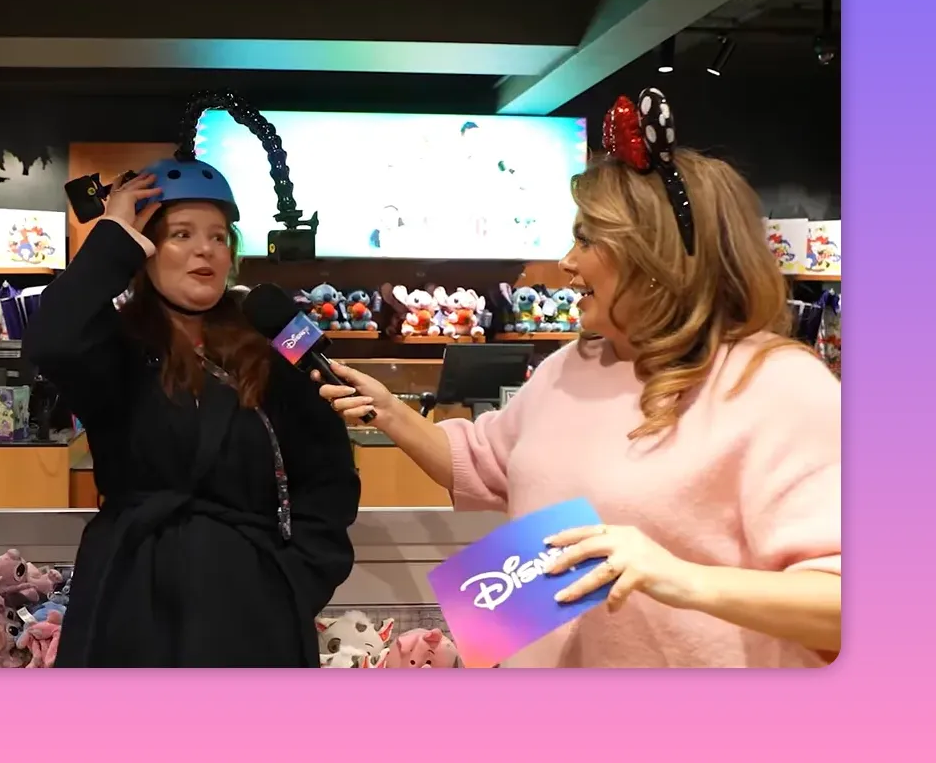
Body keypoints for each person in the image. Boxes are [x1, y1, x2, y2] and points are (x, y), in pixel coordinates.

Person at [316, 89, 841, 668]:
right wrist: (390, 412)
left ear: (656, 256)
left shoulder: (778, 387)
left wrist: (680, 577)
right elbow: (485, 465)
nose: (567, 261)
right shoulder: (574, 365)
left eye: (587, 239)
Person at [23, 163, 361, 667]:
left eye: (218, 237)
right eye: (182, 234)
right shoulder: (114, 345)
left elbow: (329, 470)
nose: (206, 250)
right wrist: (111, 236)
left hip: (253, 605)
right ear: (145, 248)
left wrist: (297, 578)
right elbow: (51, 341)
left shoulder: (272, 343)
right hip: (132, 600)